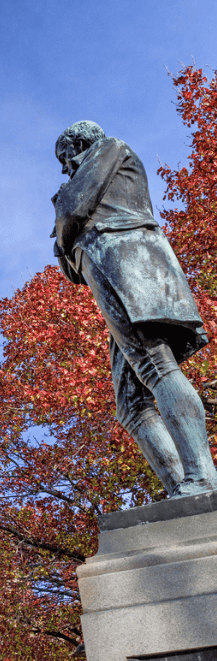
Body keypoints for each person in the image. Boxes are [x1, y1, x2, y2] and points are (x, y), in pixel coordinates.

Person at [52, 121, 217, 497]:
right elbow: (69, 267)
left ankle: (203, 478)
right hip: (107, 266)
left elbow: (71, 211)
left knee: (156, 365)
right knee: (131, 405)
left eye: (66, 156)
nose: (65, 168)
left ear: (80, 143)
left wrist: (63, 219)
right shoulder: (94, 168)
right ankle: (182, 489)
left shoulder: (108, 148)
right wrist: (65, 233)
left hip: (126, 263)